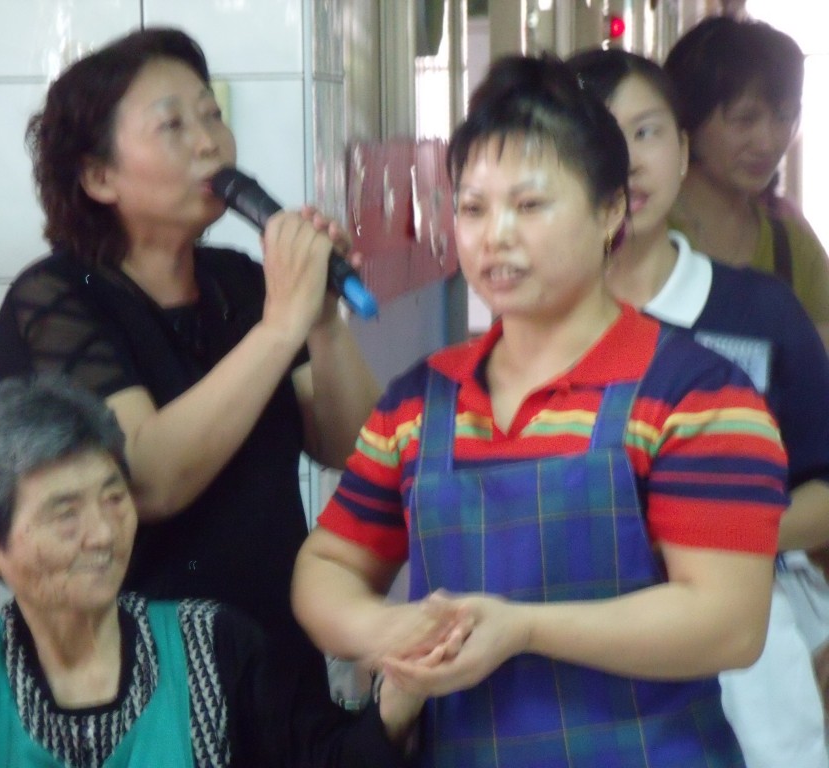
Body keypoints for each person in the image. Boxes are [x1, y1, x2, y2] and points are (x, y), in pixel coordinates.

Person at [290, 54, 788, 767]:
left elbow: (728, 623)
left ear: (610, 210)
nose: (495, 235)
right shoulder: (420, 403)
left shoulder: (697, 396)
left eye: (529, 206)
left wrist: (523, 630)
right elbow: (329, 565)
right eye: (473, 208)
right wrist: (385, 630)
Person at [0, 27, 381, 683]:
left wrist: (321, 323)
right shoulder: (54, 301)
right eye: (173, 125)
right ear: (99, 177)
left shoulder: (243, 283)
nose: (209, 142)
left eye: (212, 115)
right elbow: (146, 479)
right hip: (130, 681)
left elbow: (354, 445)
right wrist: (281, 327)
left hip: (271, 662)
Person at [0, 375, 424, 767]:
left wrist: (400, 694)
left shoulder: (215, 648)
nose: (103, 534)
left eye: (114, 498)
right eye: (65, 513)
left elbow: (326, 761)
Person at [568, 46, 829, 768]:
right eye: (598, 133)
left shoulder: (761, 312)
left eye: (646, 131)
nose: (626, 160)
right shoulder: (536, 331)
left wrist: (711, 533)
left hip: (754, 670)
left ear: (683, 151)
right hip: (585, 666)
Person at [664, 15, 829, 346]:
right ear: (689, 121)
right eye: (745, 119)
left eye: (783, 117)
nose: (768, 143)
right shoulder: (639, 235)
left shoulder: (792, 248)